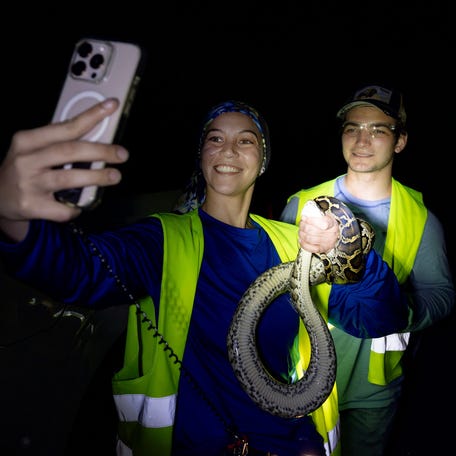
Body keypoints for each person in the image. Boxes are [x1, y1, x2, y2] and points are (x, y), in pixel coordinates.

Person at [0, 98, 411, 456]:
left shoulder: (296, 243)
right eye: (216, 138)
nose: (229, 149)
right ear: (201, 154)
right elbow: (78, 272)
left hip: (291, 445)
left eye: (246, 139)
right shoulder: (161, 237)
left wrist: (348, 245)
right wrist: (13, 219)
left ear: (262, 159)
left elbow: (380, 318)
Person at [280, 83, 455, 456]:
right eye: (352, 128)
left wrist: (401, 312)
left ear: (400, 141)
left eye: (378, 130)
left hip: (375, 389)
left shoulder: (422, 220)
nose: (362, 140)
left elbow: (442, 295)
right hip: (303, 380)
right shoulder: (300, 204)